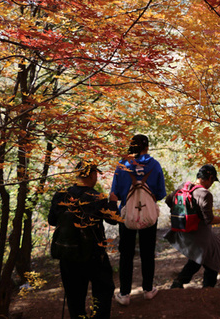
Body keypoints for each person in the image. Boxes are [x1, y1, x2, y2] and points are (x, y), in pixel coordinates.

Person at [48, 161, 120, 319]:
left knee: (74, 295)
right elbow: (113, 220)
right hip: (93, 254)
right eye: (96, 174)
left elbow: (52, 220)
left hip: (68, 252)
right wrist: (113, 201)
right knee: (103, 290)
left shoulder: (61, 195)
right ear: (92, 175)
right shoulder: (96, 197)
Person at [110, 134, 166, 305]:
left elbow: (114, 193)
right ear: (147, 147)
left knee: (126, 254)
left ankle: (125, 294)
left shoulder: (122, 165)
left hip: (127, 215)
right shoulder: (154, 165)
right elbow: (161, 193)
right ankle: (148, 290)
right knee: (147, 252)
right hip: (148, 215)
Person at [164, 164, 220, 288]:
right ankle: (185, 283)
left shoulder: (184, 187)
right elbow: (209, 220)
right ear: (210, 177)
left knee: (216, 248)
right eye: (213, 181)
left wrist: (182, 212)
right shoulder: (205, 194)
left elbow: (168, 200)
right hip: (198, 232)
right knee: (200, 257)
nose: (212, 184)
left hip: (184, 230)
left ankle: (201, 285)